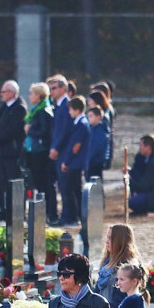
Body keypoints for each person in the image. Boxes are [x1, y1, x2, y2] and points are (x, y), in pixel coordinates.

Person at [0, 80, 27, 220]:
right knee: (2, 183)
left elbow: (12, 130)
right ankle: (3, 210)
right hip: (1, 152)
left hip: (13, 152)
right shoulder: (3, 108)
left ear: (12, 93)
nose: (1, 94)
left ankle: (16, 212)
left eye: (4, 92)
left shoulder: (19, 108)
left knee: (14, 183)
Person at [23, 82, 57, 225]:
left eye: (32, 93)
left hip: (40, 152)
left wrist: (29, 130)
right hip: (34, 150)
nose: (29, 96)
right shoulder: (37, 109)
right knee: (37, 183)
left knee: (43, 184)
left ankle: (48, 212)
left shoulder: (44, 111)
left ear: (38, 95)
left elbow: (45, 131)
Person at [56, 97, 90, 226]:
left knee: (69, 190)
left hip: (75, 163)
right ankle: (77, 215)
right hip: (76, 162)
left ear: (77, 109)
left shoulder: (81, 124)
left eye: (71, 109)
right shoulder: (79, 122)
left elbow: (75, 146)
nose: (69, 112)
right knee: (75, 190)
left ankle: (71, 216)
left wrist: (66, 161)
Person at [94, 224, 141, 308]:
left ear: (120, 241)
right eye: (107, 237)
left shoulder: (127, 267)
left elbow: (118, 301)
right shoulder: (107, 262)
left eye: (111, 238)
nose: (107, 242)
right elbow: (97, 291)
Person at [47, 74, 72, 221]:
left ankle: (68, 216)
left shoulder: (66, 105)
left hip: (63, 151)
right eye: (50, 88)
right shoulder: (56, 105)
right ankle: (64, 214)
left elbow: (65, 130)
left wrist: (56, 148)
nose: (52, 91)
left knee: (66, 186)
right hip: (57, 150)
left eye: (55, 88)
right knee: (61, 185)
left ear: (63, 88)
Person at [85, 107, 109, 181]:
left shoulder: (100, 131)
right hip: (90, 162)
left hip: (95, 163)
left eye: (91, 116)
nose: (89, 118)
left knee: (95, 185)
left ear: (98, 117)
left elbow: (96, 148)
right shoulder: (92, 129)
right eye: (88, 116)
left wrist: (88, 160)